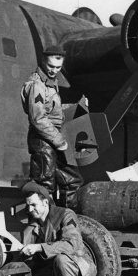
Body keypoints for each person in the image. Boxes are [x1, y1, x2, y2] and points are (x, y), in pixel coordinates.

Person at [19, 182, 96, 276]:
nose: (30, 209)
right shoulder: (32, 224)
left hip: (78, 266)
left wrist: (39, 247)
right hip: (50, 271)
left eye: (34, 205)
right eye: (28, 205)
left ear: (45, 202)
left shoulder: (65, 215)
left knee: (61, 260)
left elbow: (71, 245)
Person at [20, 44, 83, 207]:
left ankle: (70, 221)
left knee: (72, 181)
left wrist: (77, 106)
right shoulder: (37, 85)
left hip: (53, 139)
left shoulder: (49, 84)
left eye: (58, 67)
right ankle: (42, 228)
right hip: (43, 141)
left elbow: (53, 111)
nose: (54, 70)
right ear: (42, 60)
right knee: (44, 186)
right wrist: (59, 141)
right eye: (50, 66)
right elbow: (38, 118)